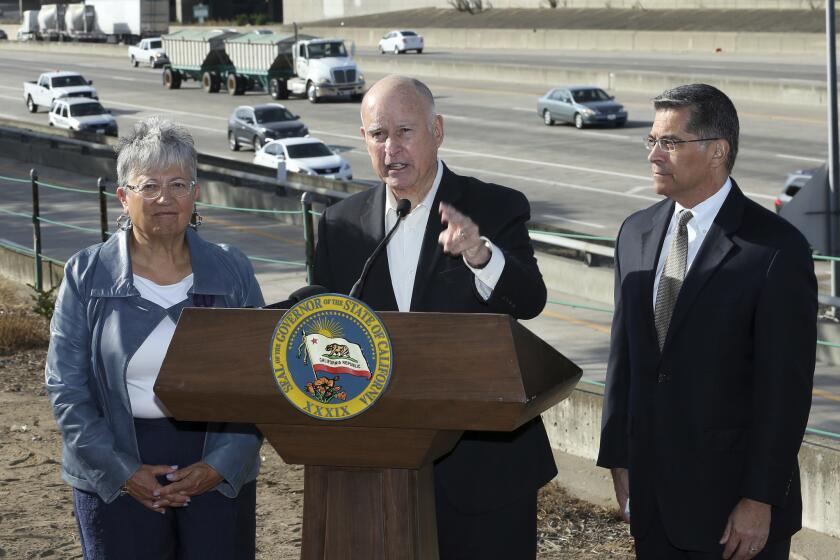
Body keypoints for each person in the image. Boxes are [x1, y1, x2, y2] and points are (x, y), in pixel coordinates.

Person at [313, 75, 552, 558]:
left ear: (437, 130)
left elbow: (529, 300)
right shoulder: (340, 224)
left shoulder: (494, 206)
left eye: (405, 131)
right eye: (378, 135)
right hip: (377, 471)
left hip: (484, 468)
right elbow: (324, 328)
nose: (390, 148)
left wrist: (481, 254)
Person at [597, 84, 817, 560]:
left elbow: (785, 391)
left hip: (733, 515)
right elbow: (625, 360)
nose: (654, 155)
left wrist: (760, 500)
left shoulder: (776, 249)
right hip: (653, 504)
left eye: (670, 142)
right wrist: (618, 459)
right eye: (651, 141)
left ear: (717, 151)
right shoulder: (634, 233)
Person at [45, 117, 264, 559]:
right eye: (149, 185)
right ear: (123, 197)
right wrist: (123, 471)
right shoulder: (86, 274)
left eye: (179, 183)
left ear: (196, 194)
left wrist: (220, 466)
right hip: (114, 463)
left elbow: (261, 382)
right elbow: (66, 390)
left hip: (214, 458)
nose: (166, 197)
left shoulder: (232, 269)